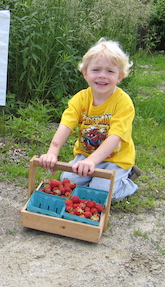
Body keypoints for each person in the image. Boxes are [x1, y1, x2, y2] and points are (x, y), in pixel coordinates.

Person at [39, 38, 139, 200]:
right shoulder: (80, 99)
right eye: (96, 70)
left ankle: (127, 183)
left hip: (116, 159)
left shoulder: (123, 102)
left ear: (120, 77)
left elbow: (115, 137)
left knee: (100, 192)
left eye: (110, 71)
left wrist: (92, 161)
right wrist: (52, 152)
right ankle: (94, 180)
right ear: (85, 73)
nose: (102, 76)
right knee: (67, 180)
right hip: (86, 154)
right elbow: (66, 126)